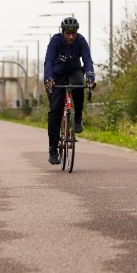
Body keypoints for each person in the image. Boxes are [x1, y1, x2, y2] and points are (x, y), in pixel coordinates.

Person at [43, 16, 96, 165]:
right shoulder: (55, 41)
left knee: (79, 85)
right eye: (68, 33)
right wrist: (48, 79)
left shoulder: (81, 41)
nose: (71, 36)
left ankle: (78, 117)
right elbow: (48, 61)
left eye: (73, 33)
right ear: (63, 31)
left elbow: (87, 60)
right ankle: (53, 151)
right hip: (57, 75)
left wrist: (90, 77)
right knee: (55, 111)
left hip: (74, 71)